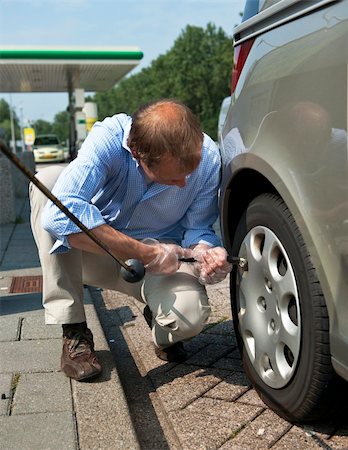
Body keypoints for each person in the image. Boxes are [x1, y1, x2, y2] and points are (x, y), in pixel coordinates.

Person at [29, 99, 232, 382]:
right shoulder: (109, 137)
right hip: (93, 254)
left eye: (188, 174)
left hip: (162, 263)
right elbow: (59, 217)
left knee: (190, 316)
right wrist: (145, 252)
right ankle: (73, 326)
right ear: (137, 153)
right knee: (49, 184)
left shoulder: (209, 158)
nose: (184, 184)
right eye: (173, 178)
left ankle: (162, 332)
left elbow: (198, 228)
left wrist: (205, 253)